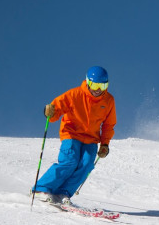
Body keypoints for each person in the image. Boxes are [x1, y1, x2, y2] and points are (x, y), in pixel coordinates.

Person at [32, 66, 116, 204]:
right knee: (70, 161)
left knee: (87, 164)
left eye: (102, 85)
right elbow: (56, 108)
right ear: (88, 82)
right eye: (94, 85)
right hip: (71, 133)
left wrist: (105, 144)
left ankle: (62, 193)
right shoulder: (75, 94)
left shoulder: (108, 101)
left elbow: (108, 125)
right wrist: (51, 112)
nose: (98, 89)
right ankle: (41, 188)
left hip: (91, 139)